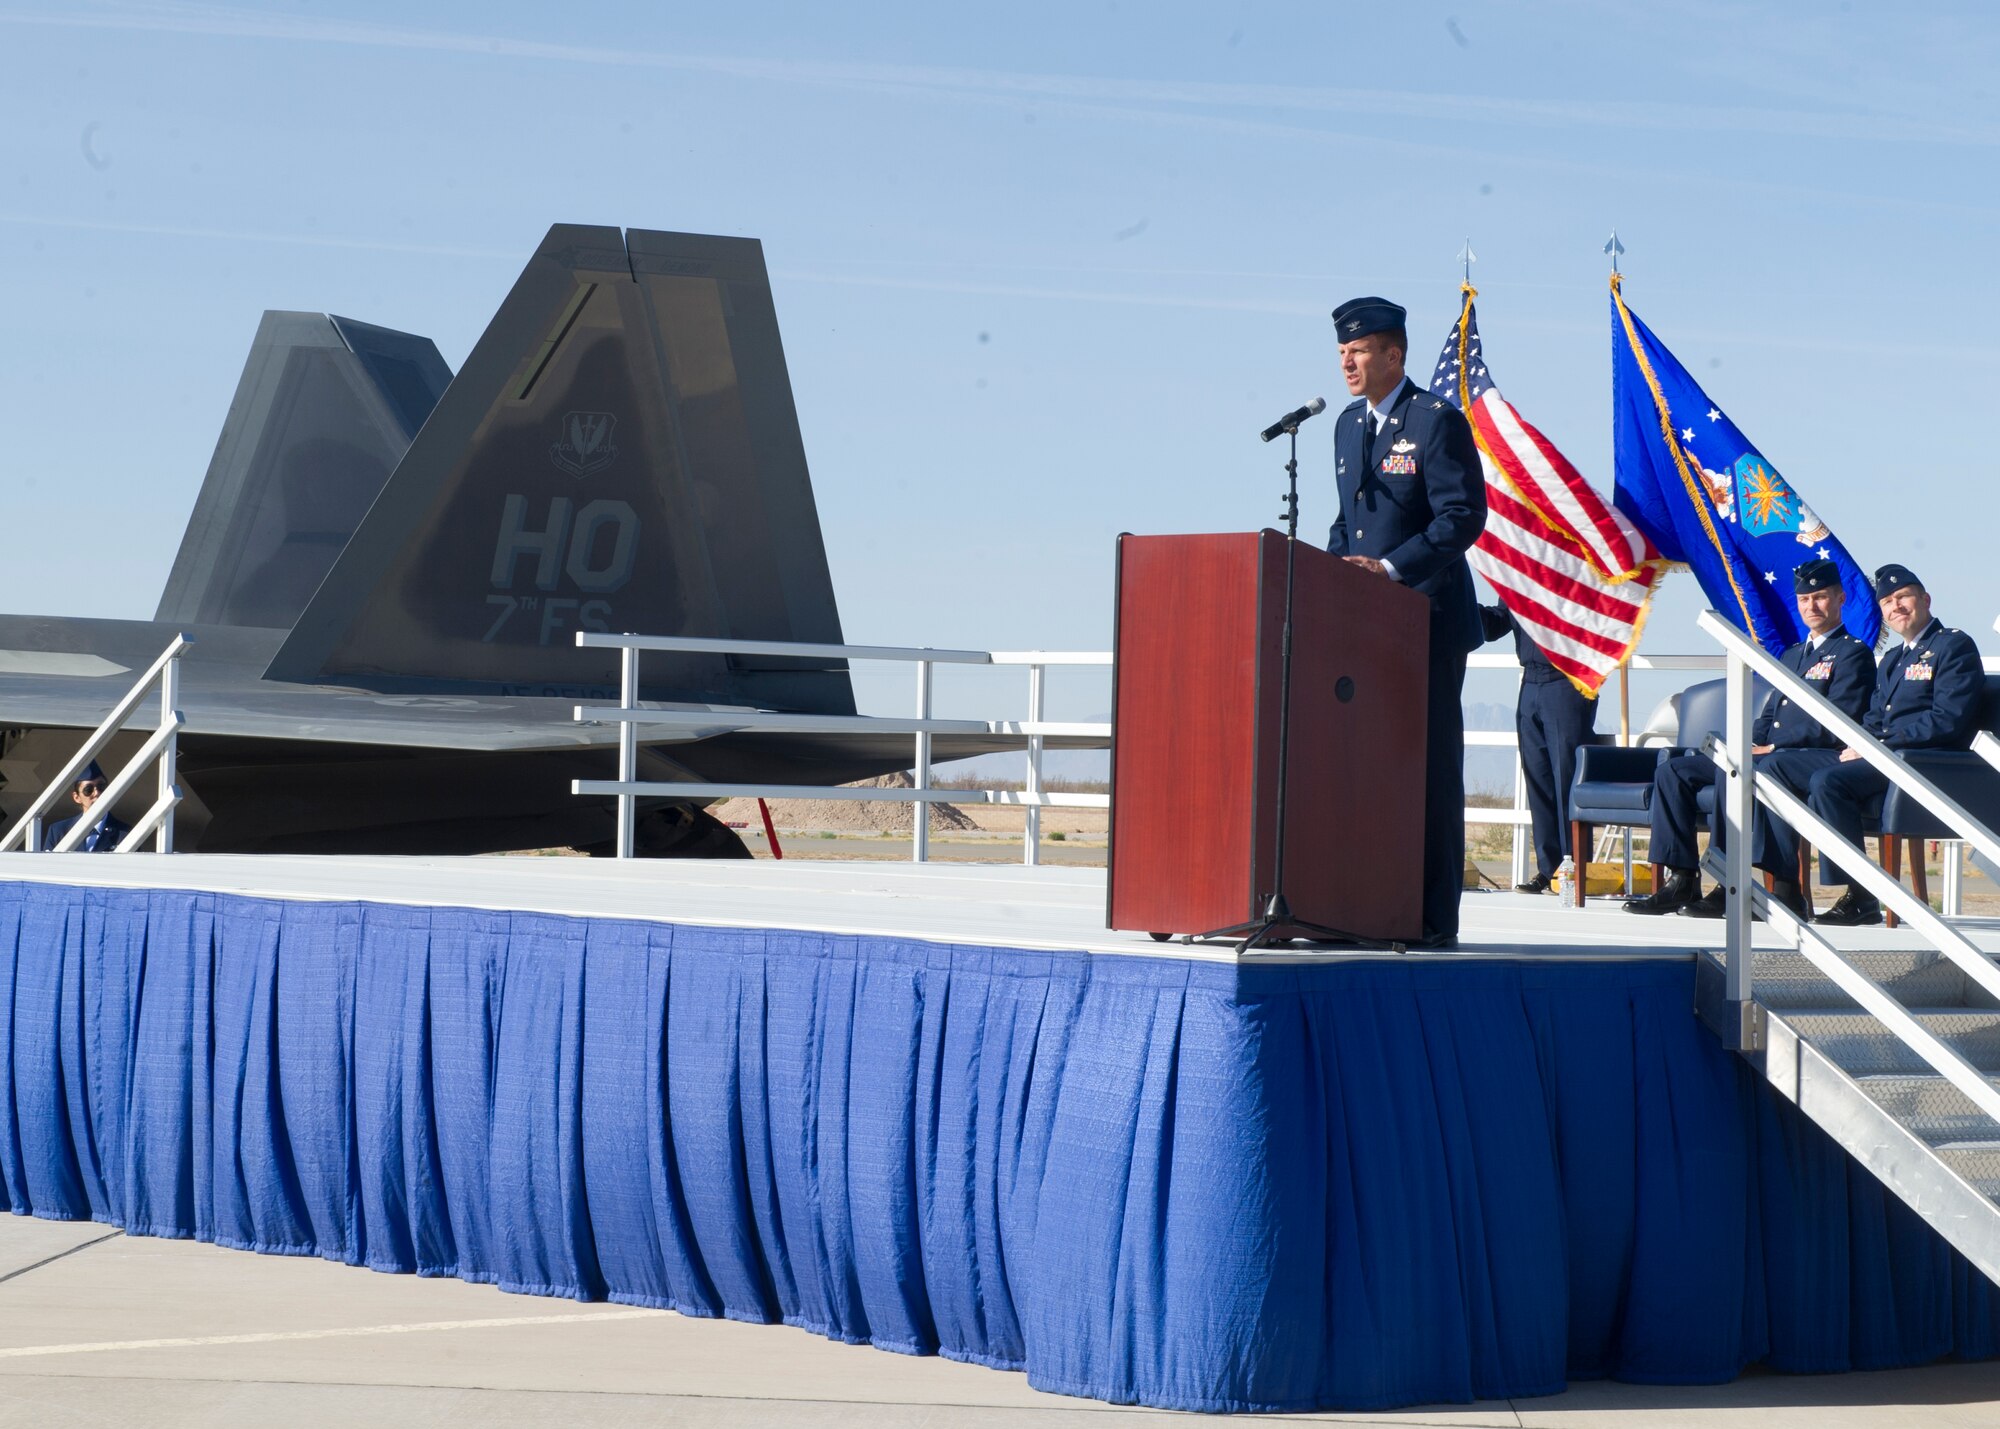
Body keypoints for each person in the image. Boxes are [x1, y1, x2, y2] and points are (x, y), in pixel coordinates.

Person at [1328, 296, 1486, 946]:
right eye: (1342, 351)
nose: (1347, 361)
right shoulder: (1343, 425)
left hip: (1426, 620)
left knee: (1427, 769)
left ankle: (1430, 918)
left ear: (1395, 354)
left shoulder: (1435, 421)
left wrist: (1390, 570)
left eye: (1359, 350)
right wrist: (1336, 574)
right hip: (1364, 628)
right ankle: (1365, 903)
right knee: (1364, 765)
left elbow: (1462, 516)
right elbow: (1348, 521)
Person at [1622, 558, 1874, 919]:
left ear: (1840, 598)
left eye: (1820, 598)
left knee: (1735, 770)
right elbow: (1772, 715)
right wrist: (1746, 740)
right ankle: (1682, 879)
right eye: (1805, 600)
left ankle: (1732, 884)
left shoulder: (1853, 653)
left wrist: (1772, 747)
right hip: (1771, 751)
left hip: (1812, 754)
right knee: (1673, 772)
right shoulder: (1792, 655)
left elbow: (1838, 721)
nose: (1812, 606)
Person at [1805, 563, 1986, 926]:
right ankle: (1852, 892)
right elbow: (1874, 718)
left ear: (1925, 599)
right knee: (1818, 775)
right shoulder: (1891, 659)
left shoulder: (1953, 645)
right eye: (1887, 602)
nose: (1896, 607)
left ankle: (1861, 896)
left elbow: (1947, 719)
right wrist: (1863, 743)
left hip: (1928, 763)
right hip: (1891, 760)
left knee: (1828, 783)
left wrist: (1879, 746)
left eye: (1903, 597)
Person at [1479, 601, 1595, 894]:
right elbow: (1499, 621)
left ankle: (1573, 870)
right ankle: (1550, 868)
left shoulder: (1572, 563)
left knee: (1567, 777)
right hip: (1530, 682)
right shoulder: (1520, 571)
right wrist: (1466, 607)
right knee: (1538, 778)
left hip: (1567, 680)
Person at [41, 761, 132, 852]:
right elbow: (47, 865)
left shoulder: (124, 833)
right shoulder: (59, 831)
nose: (96, 793)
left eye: (101, 787)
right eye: (88, 790)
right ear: (77, 797)